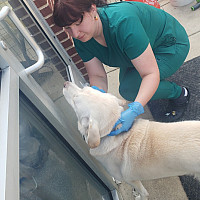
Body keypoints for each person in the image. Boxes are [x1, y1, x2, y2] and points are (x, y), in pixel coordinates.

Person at [53, 0, 190, 135]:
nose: (75, 33)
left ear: (93, 9)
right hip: (137, 52)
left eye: (78, 23)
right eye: (68, 28)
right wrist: (95, 102)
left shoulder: (123, 23)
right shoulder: (82, 38)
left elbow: (149, 73)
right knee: (128, 87)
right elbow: (97, 76)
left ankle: (180, 93)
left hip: (168, 46)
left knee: (131, 89)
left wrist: (136, 109)